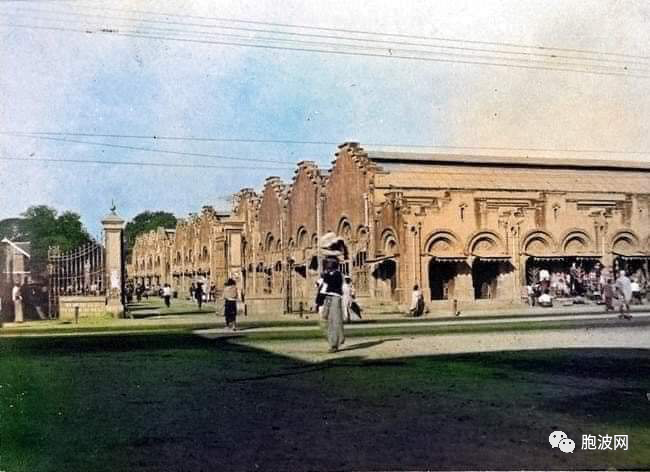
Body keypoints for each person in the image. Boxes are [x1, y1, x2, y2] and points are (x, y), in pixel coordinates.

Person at [320, 257, 345, 352]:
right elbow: (323, 287)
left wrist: (325, 276)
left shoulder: (338, 275)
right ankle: (340, 337)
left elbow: (333, 284)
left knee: (335, 320)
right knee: (327, 320)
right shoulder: (328, 274)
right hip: (328, 298)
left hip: (335, 297)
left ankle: (334, 344)